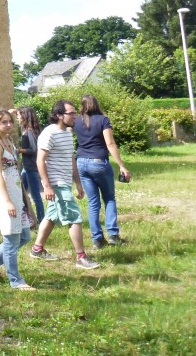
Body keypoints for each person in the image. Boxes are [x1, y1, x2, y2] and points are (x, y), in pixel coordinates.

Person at [28, 100, 100, 269]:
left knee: (52, 216)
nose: (75, 116)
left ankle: (37, 249)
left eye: (75, 113)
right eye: (71, 113)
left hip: (65, 182)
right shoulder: (49, 133)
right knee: (74, 217)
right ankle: (81, 257)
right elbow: (40, 161)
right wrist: (47, 186)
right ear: (59, 115)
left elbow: (71, 159)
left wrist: (78, 183)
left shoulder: (68, 132)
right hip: (56, 183)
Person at [0, 107, 36, 290]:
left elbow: (17, 172)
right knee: (11, 240)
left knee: (25, 236)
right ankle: (16, 280)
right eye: (4, 122)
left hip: (17, 193)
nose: (9, 125)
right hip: (5, 195)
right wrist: (7, 201)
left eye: (10, 121)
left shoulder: (9, 141)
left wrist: (25, 200)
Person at [74, 94, 131, 249]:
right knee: (109, 198)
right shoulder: (103, 120)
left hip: (81, 162)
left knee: (93, 203)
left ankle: (97, 239)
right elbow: (110, 143)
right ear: (96, 104)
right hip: (99, 162)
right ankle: (113, 235)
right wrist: (122, 165)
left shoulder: (76, 121)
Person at [15, 106, 45, 224]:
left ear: (24, 116)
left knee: (35, 195)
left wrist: (20, 150)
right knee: (21, 193)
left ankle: (42, 220)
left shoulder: (29, 132)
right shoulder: (28, 130)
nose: (17, 118)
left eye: (18, 116)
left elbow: (34, 149)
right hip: (27, 168)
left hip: (31, 167)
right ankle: (28, 218)